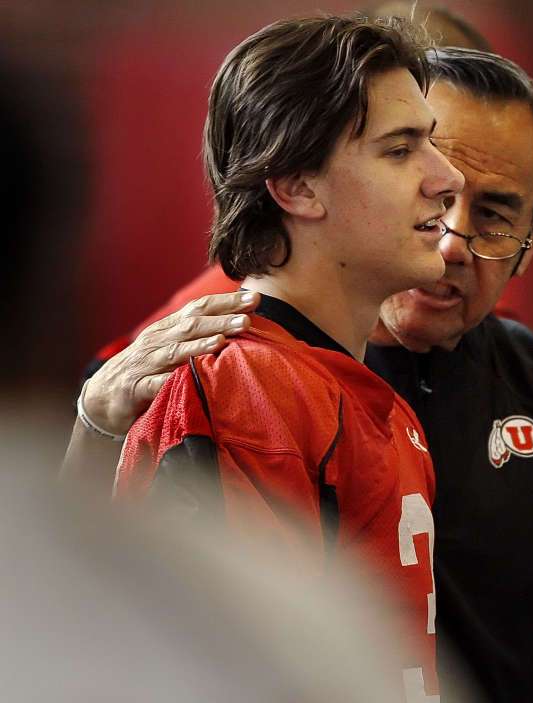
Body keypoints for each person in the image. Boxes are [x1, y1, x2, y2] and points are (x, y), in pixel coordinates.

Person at [64, 47, 533, 703]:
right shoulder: (219, 353)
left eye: (494, 213)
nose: (452, 233)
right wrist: (95, 422)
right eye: (420, 171)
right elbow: (87, 594)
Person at [104, 14, 466, 701]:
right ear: (296, 186)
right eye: (400, 149)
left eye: (432, 144)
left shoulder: (343, 384)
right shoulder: (242, 384)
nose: (446, 178)